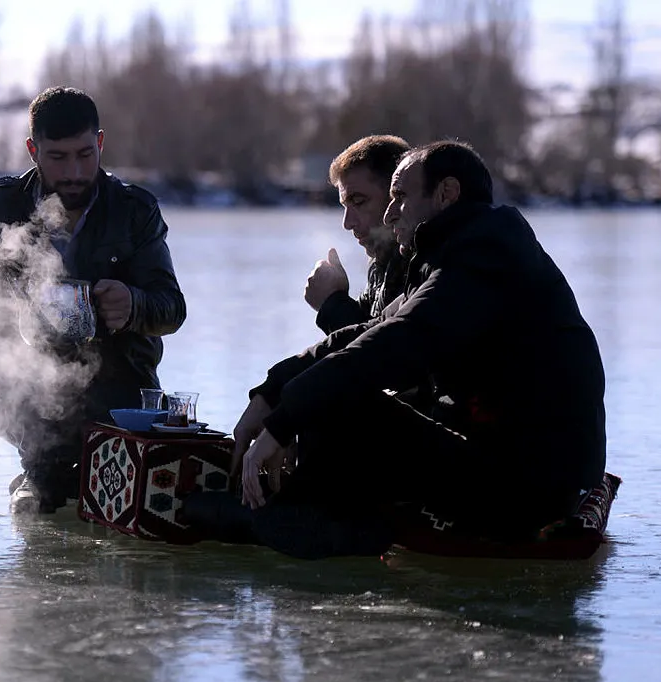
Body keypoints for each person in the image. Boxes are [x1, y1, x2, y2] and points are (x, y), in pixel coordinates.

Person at [203, 140, 606, 559]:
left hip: (532, 488)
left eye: (400, 197)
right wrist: (272, 392)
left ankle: (301, 523)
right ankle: (307, 514)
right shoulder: (457, 253)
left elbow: (396, 346)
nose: (390, 212)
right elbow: (367, 333)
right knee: (330, 388)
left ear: (447, 194)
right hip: (509, 461)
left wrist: (285, 422)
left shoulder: (486, 255)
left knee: (344, 401)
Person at [0, 87, 186, 515]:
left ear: (100, 143)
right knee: (49, 481)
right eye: (58, 157)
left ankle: (52, 473)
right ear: (33, 151)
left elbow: (171, 308)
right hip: (7, 377)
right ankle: (40, 470)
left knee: (119, 490)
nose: (74, 171)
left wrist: (134, 304)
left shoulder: (134, 211)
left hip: (114, 380)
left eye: (86, 154)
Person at [303, 135, 411, 334]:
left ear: (396, 195)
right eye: (345, 206)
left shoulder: (423, 264)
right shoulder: (382, 265)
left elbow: (382, 356)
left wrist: (332, 303)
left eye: (359, 202)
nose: (347, 223)